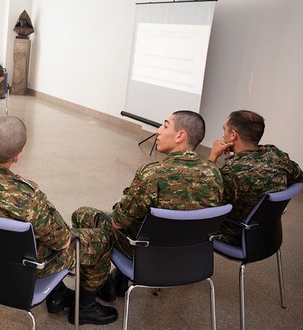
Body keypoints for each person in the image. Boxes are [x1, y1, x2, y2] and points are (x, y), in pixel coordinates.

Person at [0, 116, 118, 325]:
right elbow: (62, 241)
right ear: (17, 156)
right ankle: (86, 308)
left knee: (39, 234)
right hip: (19, 269)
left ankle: (57, 294)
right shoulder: (28, 198)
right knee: (100, 239)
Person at [72, 110, 224, 296]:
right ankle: (119, 279)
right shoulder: (214, 174)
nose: (158, 131)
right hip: (192, 258)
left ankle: (99, 290)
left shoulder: (153, 174)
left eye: (165, 126)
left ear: (180, 136)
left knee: (83, 214)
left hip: (147, 255)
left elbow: (118, 222)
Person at [208, 110, 303, 245]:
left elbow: (206, 199)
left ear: (233, 135)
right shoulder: (278, 156)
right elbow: (300, 179)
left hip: (236, 235)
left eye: (224, 130)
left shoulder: (234, 171)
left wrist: (212, 157)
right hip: (268, 234)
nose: (223, 135)